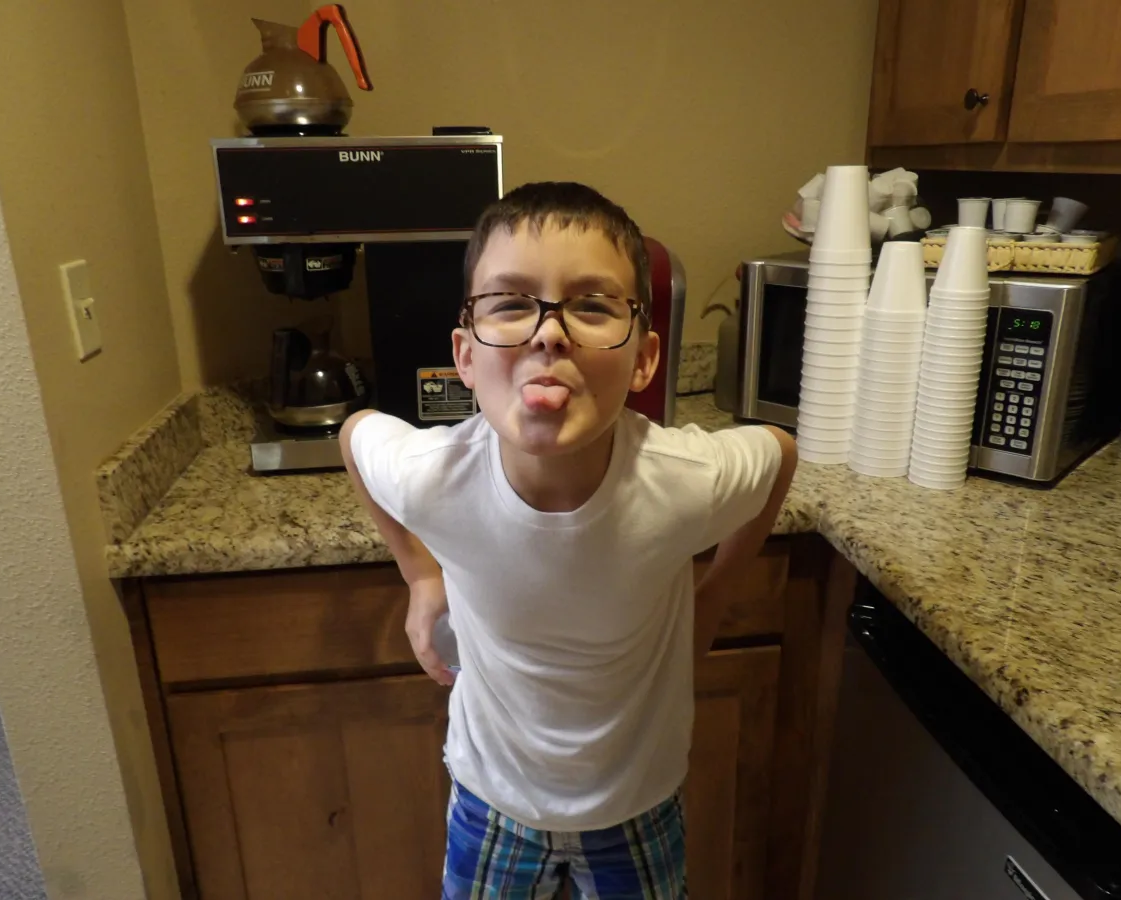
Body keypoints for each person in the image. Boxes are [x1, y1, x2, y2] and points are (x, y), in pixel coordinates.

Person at [340, 182, 797, 899]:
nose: (549, 332)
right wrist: (420, 576)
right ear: (465, 357)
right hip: (490, 805)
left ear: (643, 360)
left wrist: (715, 601)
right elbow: (354, 433)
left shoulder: (683, 481)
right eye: (512, 302)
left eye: (590, 305)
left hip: (637, 811)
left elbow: (777, 454)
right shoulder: (433, 480)